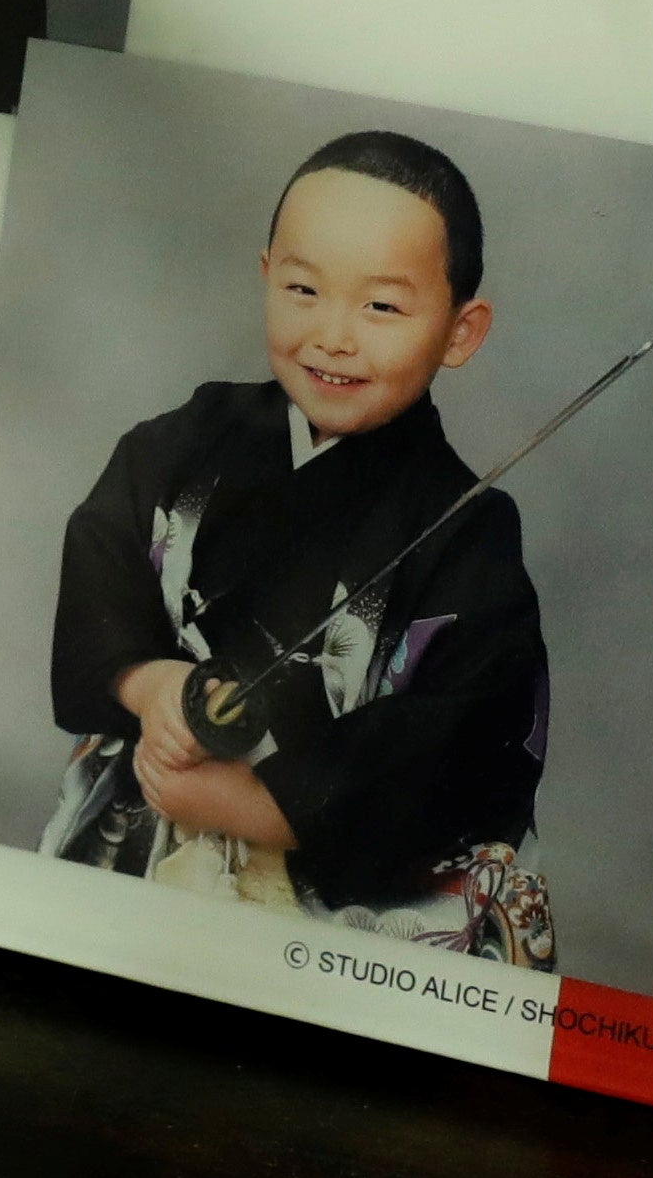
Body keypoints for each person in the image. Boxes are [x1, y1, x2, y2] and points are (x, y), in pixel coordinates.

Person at [35, 133, 556, 961]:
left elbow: (462, 733)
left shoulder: (468, 529)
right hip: (151, 820)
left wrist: (262, 804)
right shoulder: (188, 439)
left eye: (381, 306)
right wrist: (149, 683)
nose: (332, 335)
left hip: (328, 891)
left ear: (461, 331)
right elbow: (104, 549)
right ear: (265, 273)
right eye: (303, 288)